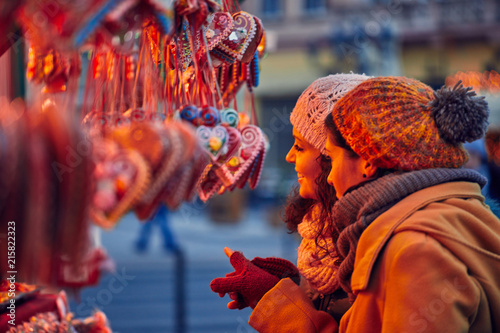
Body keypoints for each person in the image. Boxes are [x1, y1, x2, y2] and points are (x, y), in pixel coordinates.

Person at [211, 76, 500, 332]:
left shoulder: (414, 250)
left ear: (367, 163)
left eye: (333, 157)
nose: (331, 173)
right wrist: (289, 292)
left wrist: (277, 308)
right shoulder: (439, 220)